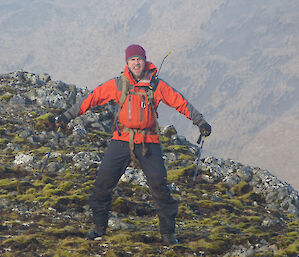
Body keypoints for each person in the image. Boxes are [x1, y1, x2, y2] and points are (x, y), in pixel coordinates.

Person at [56, 44, 211, 245]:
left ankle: (167, 234)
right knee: (103, 183)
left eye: (139, 59)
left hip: (149, 142)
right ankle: (99, 227)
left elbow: (180, 102)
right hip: (121, 140)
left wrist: (200, 122)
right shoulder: (118, 84)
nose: (136, 62)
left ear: (144, 60)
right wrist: (66, 116)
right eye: (133, 59)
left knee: (159, 186)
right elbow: (92, 98)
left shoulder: (156, 85)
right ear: (127, 62)